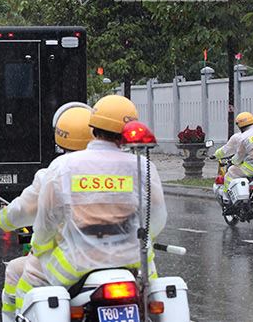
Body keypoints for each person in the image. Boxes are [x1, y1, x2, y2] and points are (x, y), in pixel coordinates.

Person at [13, 95, 167, 310]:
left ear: (92, 127)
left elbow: (47, 220)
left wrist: (40, 246)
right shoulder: (142, 166)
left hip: (76, 265)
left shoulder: (63, 166)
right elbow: (157, 218)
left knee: (28, 285)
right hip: (134, 264)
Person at [0, 102, 93, 322]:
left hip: (72, 262)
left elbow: (32, 215)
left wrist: (2, 218)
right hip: (124, 260)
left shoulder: (54, 172)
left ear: (60, 136)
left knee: (18, 277)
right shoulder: (121, 167)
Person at [215, 112, 253, 203]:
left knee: (230, 172)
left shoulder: (243, 137)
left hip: (252, 168)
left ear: (239, 125)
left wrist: (232, 161)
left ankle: (226, 198)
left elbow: (239, 156)